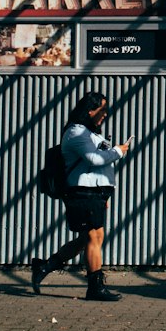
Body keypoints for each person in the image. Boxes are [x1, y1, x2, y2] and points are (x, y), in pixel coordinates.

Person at [31, 91, 133, 302]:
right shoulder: (76, 133)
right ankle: (95, 287)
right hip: (82, 192)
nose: (105, 113)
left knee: (88, 238)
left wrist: (104, 194)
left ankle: (44, 266)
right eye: (102, 109)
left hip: (94, 193)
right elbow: (94, 158)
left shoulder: (91, 133)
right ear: (89, 110)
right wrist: (118, 151)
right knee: (94, 237)